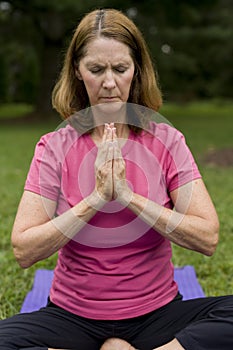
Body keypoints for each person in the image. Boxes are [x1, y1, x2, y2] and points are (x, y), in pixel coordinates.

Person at [0, 8, 233, 350]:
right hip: (72, 318)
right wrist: (95, 199)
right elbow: (23, 249)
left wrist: (128, 196)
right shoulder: (55, 146)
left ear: (136, 70)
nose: (109, 82)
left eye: (120, 69)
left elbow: (208, 237)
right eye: (96, 70)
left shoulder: (166, 140)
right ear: (77, 72)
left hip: (157, 315)